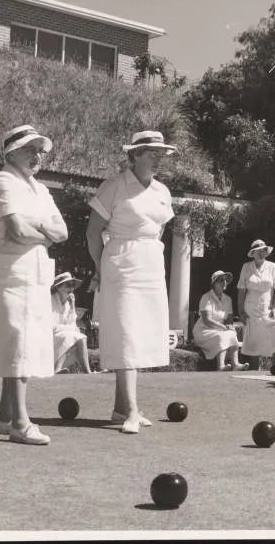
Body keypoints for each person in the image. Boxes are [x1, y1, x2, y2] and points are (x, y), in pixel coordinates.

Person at [0, 125, 68, 445]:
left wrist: (36, 225)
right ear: (11, 153)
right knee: (18, 347)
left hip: (35, 275)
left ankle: (2, 418)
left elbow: (63, 231)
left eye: (41, 150)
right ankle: (21, 422)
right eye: (31, 149)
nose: (38, 155)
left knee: (22, 346)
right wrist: (44, 228)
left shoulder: (39, 189)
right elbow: (15, 230)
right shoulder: (3, 180)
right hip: (10, 274)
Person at [86, 130, 177, 433]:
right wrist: (100, 269)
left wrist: (149, 251)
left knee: (141, 334)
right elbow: (92, 232)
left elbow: (158, 229)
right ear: (135, 155)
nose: (158, 158)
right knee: (126, 334)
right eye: (152, 152)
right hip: (120, 265)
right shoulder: (113, 187)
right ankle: (133, 412)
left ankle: (120, 409)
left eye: (161, 153)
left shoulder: (163, 191)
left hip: (151, 266)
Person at [237, 239, 275, 368]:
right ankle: (255, 368)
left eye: (263, 250)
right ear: (252, 253)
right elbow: (242, 290)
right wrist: (241, 311)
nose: (261, 253)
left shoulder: (273, 266)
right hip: (251, 308)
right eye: (258, 251)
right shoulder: (246, 267)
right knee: (254, 339)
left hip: (269, 307)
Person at [193, 270, 249, 371]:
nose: (224, 283)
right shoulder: (206, 297)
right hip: (203, 331)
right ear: (214, 284)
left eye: (225, 280)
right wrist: (223, 327)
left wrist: (230, 327)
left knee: (232, 333)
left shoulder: (228, 299)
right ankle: (221, 366)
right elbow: (207, 320)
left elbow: (229, 320)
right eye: (220, 280)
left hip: (219, 330)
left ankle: (235, 364)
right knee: (222, 335)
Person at [51, 272, 92, 374]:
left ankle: (87, 372)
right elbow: (52, 327)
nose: (71, 288)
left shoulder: (68, 304)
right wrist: (70, 329)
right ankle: (57, 369)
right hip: (49, 338)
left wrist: (73, 306)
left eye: (73, 285)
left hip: (61, 336)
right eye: (68, 285)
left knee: (81, 338)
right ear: (58, 287)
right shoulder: (50, 301)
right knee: (70, 336)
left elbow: (73, 325)